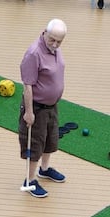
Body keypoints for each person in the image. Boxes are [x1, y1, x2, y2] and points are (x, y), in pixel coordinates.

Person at [18, 18, 67, 198]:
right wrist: (29, 112)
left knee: (50, 139)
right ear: (44, 32)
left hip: (51, 106)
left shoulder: (55, 49)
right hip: (37, 108)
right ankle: (29, 180)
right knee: (35, 144)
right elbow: (27, 86)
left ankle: (44, 170)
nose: (55, 44)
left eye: (59, 41)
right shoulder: (34, 53)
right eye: (52, 39)